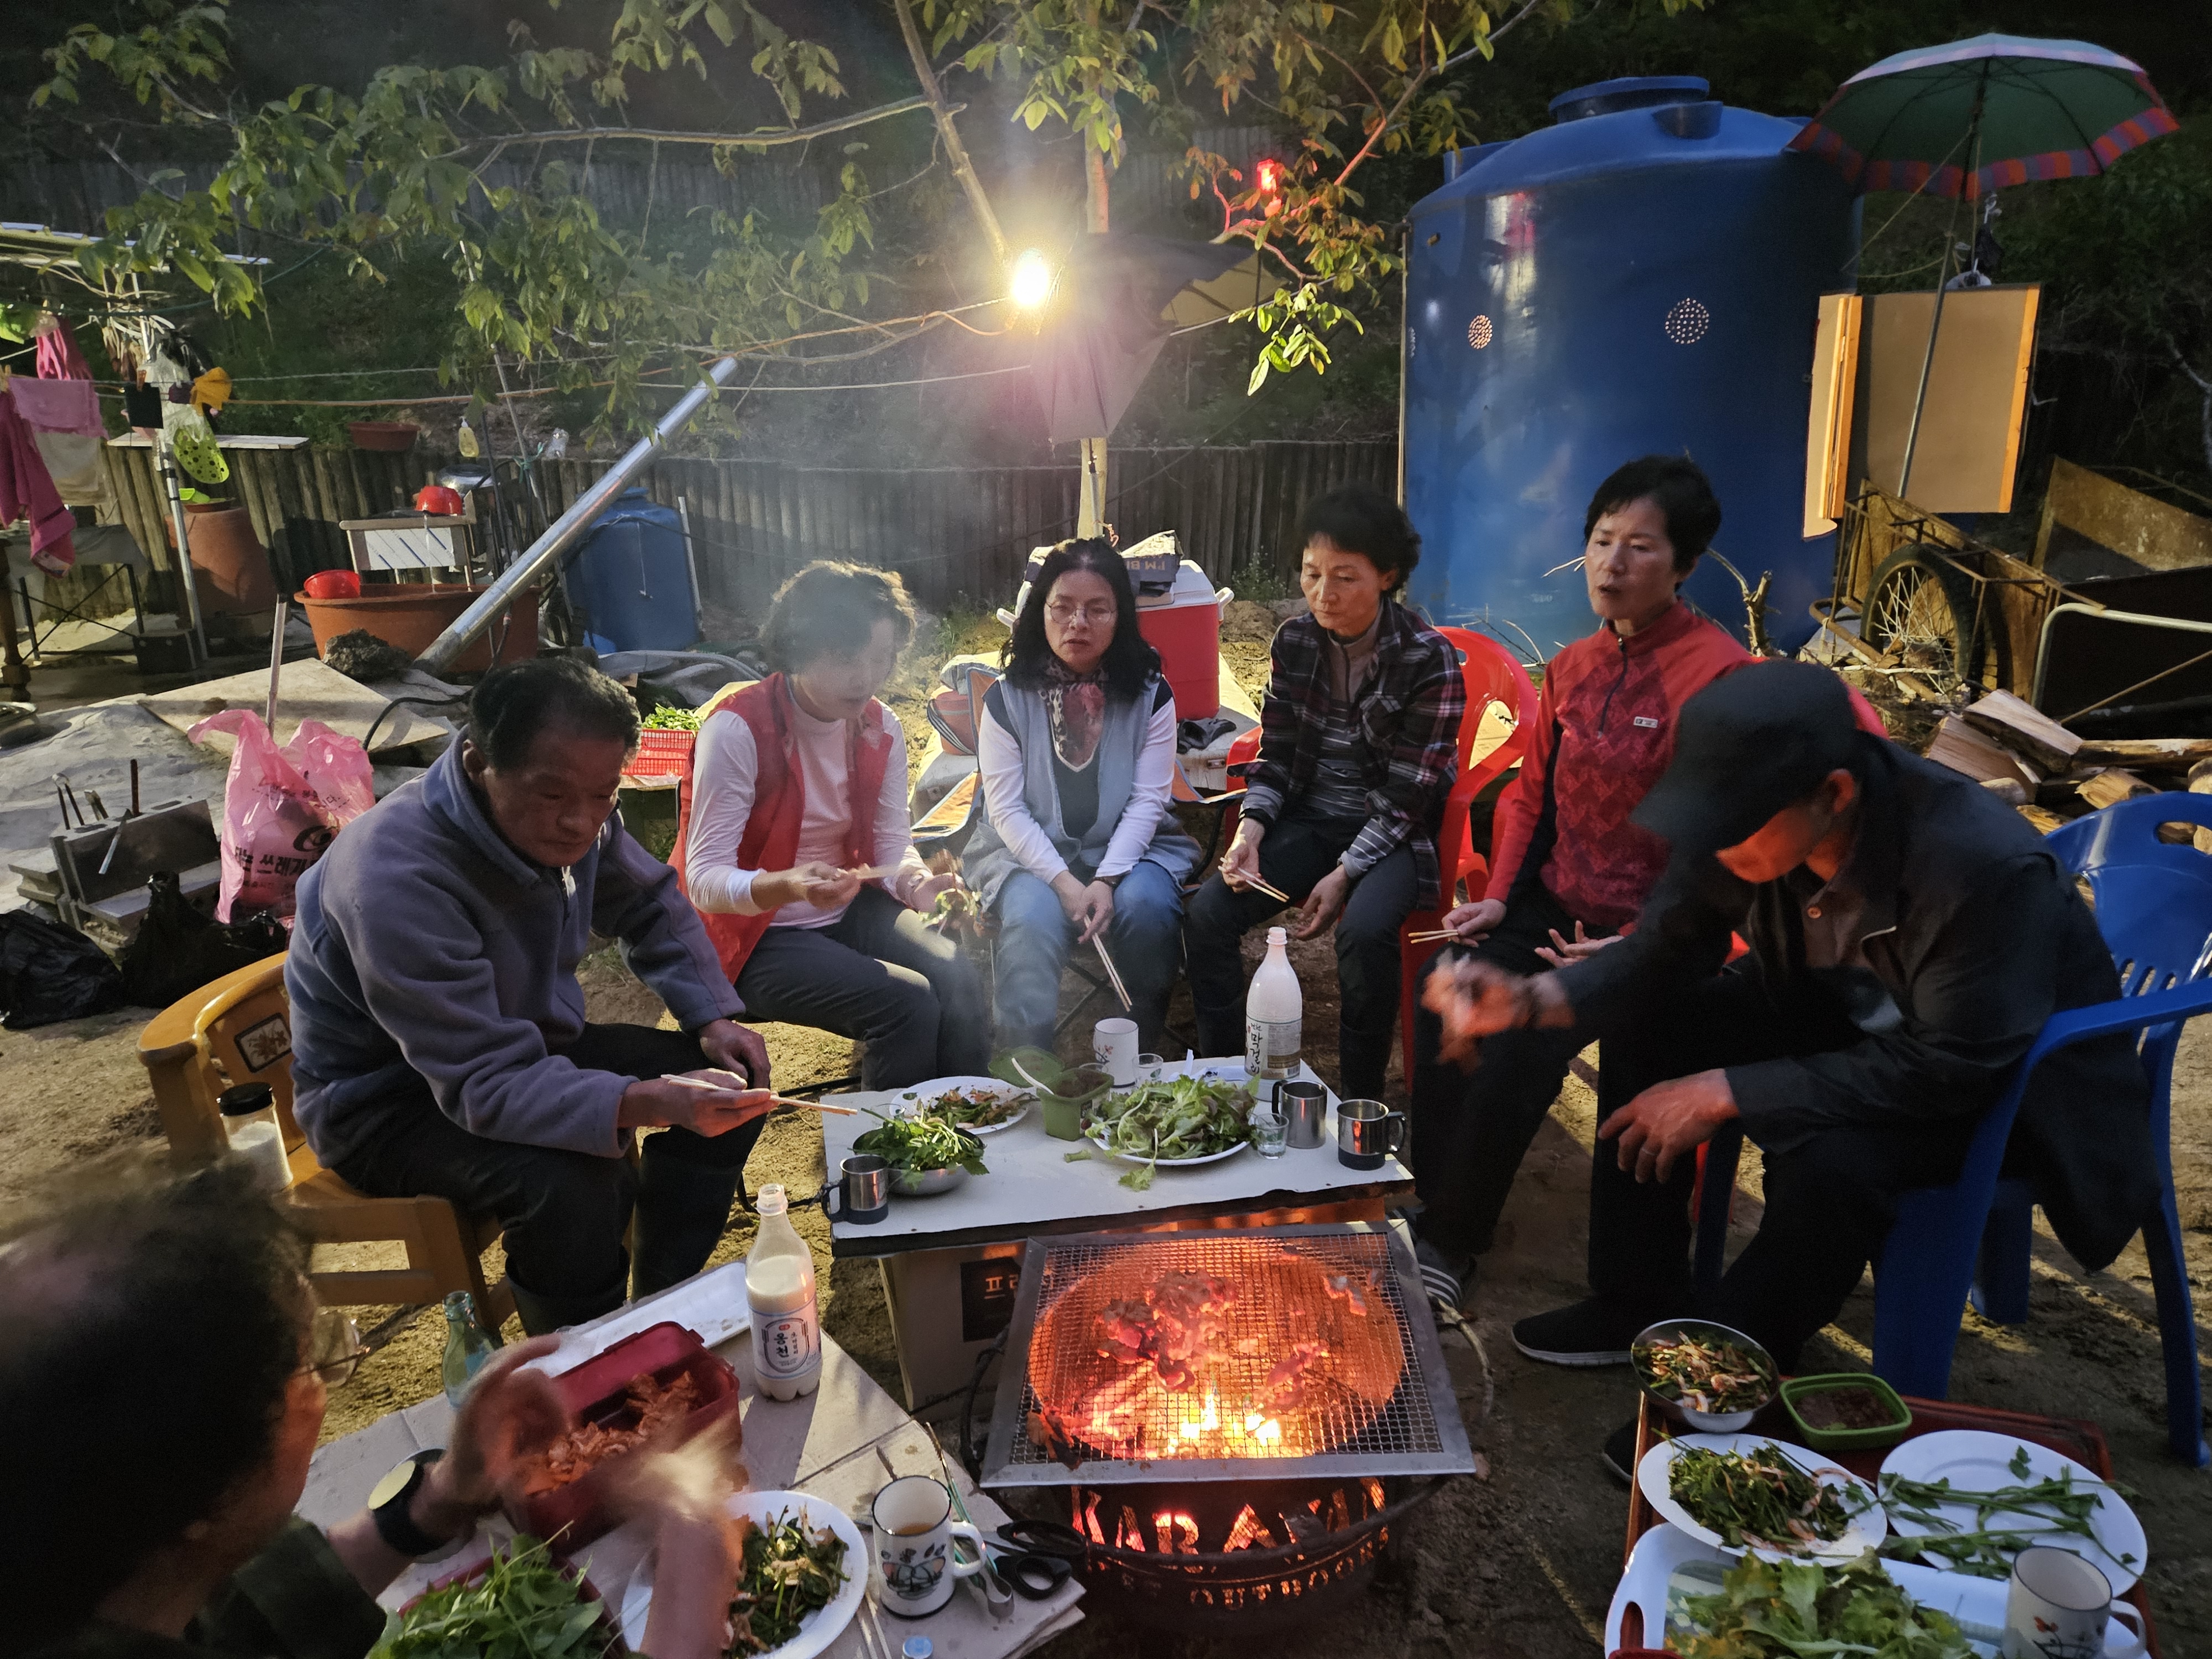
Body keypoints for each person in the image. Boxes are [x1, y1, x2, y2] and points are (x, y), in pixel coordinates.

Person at [1425, 662, 2158, 1474]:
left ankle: (1732, 1385)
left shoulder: (1977, 867)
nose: (1713, 847)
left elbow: (1950, 1067)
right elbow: (1665, 948)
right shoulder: (1738, 822)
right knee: (1651, 1024)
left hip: (1993, 1086)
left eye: (1734, 829)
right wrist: (1533, 998)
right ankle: (1638, 1297)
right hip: (1842, 1011)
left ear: (1834, 794)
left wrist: (1730, 1090)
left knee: (1830, 1162)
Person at [6, 1157, 743, 1659]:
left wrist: (435, 1502)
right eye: (308, 1363)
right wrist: (693, 1539)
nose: (323, 1387)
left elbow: (248, 1616)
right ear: (198, 1492)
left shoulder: (100, 1574)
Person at [290, 656, 775, 1337]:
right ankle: (585, 1354)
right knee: (573, 1185)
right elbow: (481, 1082)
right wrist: (642, 1100)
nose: (579, 822)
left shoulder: (582, 820)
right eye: (551, 794)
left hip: (524, 1048)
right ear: (477, 764)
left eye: (604, 794)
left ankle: (659, 1300)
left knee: (736, 1083)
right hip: (390, 1104)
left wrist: (711, 1016)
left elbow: (648, 904)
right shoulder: (394, 879)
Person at [1405, 457, 1747, 1307]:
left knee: (1520, 1039)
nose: (1612, 564)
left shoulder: (1718, 678)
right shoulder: (1573, 666)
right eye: (1601, 541)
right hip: (1554, 906)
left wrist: (1633, 944)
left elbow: (1714, 847)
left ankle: (1464, 1243)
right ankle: (1439, 1210)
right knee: (1446, 987)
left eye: (1640, 547)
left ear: (1685, 565)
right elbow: (1532, 797)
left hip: (1658, 936)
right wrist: (1498, 898)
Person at [1183, 482, 1466, 1099]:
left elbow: (1409, 795)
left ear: (1387, 576)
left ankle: (1360, 1103)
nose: (1323, 594)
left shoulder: (1428, 660)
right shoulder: (1295, 642)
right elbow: (1278, 754)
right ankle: (1224, 1083)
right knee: (1207, 915)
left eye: (1344, 577)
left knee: (1363, 935)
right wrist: (1250, 831)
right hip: (1311, 821)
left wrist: (1345, 874)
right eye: (1312, 574)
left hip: (1393, 833)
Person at [679, 562, 988, 1088]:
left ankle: (968, 1122)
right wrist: (789, 884)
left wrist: (919, 885)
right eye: (846, 657)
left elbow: (891, 843)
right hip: (754, 936)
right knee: (906, 1003)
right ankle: (892, 1140)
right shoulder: (737, 730)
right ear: (798, 647)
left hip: (846, 907)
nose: (865, 678)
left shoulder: (880, 726)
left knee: (956, 973)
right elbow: (703, 881)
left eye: (880, 658)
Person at [964, 538, 1202, 1053]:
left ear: (1120, 618)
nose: (1078, 623)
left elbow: (1147, 801)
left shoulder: (1151, 695)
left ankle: (1139, 1058)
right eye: (1063, 608)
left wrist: (1108, 878)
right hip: (1026, 855)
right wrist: (1067, 885)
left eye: (1098, 609)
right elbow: (1006, 809)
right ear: (1041, 612)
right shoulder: (1006, 699)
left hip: (1132, 850)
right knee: (1031, 919)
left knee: (1149, 909)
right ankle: (1027, 1067)